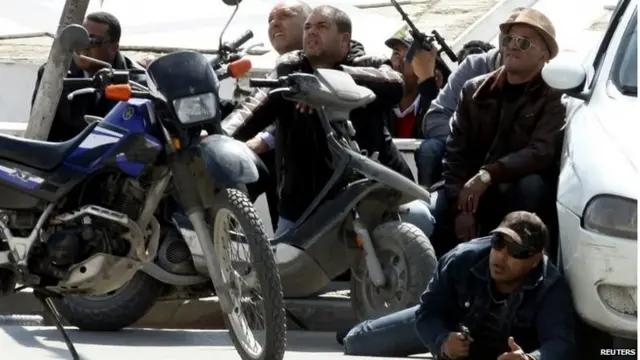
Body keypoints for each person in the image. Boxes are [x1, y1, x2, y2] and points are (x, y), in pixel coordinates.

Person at [224, 5, 435, 238]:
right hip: (305, 203)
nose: (312, 32)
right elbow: (254, 108)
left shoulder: (367, 62)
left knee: (420, 217)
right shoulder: (290, 68)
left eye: (322, 26)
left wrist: (326, 83)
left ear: (344, 39)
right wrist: (217, 137)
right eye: (308, 27)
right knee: (284, 265)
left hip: (376, 192)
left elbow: (394, 84)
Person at [341, 211, 576, 359]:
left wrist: (531, 359)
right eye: (498, 241)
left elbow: (561, 343)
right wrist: (442, 343)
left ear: (535, 260)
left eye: (515, 251)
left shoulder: (550, 286)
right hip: (451, 325)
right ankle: (359, 327)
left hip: (499, 349)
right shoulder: (462, 259)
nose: (501, 256)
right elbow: (428, 313)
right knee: (356, 342)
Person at [221, 0, 312, 230]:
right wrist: (218, 136)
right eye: (270, 19)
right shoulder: (276, 71)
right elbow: (252, 109)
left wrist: (263, 139)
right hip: (285, 180)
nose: (275, 23)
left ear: (308, 25)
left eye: (286, 15)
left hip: (318, 185)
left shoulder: (324, 64)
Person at [416, 7, 526, 188]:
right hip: (461, 161)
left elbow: (541, 145)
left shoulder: (545, 81)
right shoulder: (472, 68)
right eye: (508, 35)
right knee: (429, 150)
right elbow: (435, 118)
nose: (512, 45)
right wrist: (466, 145)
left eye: (523, 41)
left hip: (509, 169)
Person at [31, 11, 145, 142]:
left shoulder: (137, 81)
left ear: (114, 47)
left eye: (93, 41)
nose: (84, 47)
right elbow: (40, 128)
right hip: (64, 154)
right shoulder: (53, 74)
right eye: (80, 39)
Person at [384, 27, 441, 140]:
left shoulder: (436, 106)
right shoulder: (381, 105)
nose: (396, 62)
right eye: (395, 53)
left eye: (406, 56)